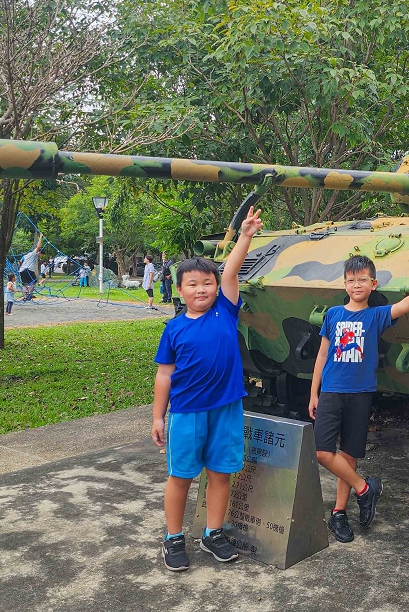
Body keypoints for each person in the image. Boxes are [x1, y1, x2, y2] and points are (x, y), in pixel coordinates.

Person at [308, 255, 409, 543]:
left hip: (360, 392)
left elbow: (406, 305)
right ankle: (365, 489)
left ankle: (339, 513)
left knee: (349, 455)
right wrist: (314, 392)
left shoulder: (375, 316)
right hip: (332, 391)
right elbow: (322, 355)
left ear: (373, 284)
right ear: (345, 284)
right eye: (351, 280)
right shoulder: (334, 314)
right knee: (322, 451)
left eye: (362, 279)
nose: (356, 284)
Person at [152, 206, 263, 571]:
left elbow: (230, 269)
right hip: (186, 413)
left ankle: (213, 532)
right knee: (181, 476)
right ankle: (173, 538)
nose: (202, 289)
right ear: (180, 290)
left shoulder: (225, 311)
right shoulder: (174, 329)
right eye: (193, 284)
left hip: (227, 407)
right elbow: (164, 376)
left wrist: (245, 234)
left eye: (208, 283)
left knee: (220, 473)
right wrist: (157, 416)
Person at [19, 234, 43, 301]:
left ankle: (25, 297)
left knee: (24, 285)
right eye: (41, 254)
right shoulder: (34, 253)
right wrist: (41, 237)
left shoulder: (27, 255)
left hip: (22, 270)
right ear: (39, 252)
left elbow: (20, 261)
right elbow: (38, 247)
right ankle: (29, 294)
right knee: (34, 281)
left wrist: (21, 267)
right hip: (28, 269)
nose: (41, 256)